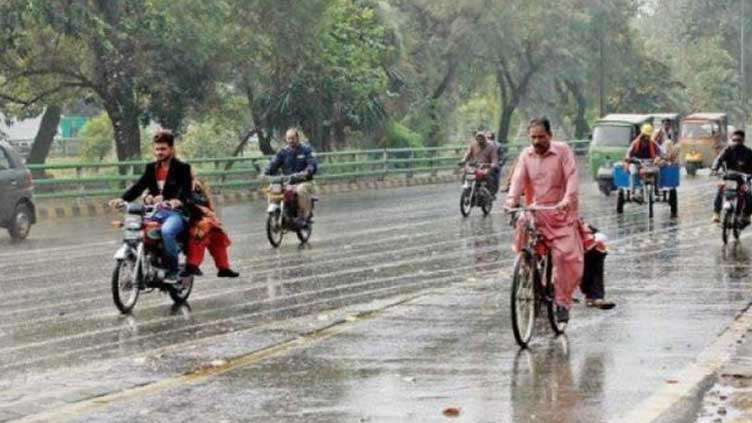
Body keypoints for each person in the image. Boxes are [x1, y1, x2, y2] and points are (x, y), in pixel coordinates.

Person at [505, 117, 583, 323]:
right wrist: (512, 200)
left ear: (550, 136)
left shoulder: (563, 152)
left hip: (560, 213)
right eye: (533, 138)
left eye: (541, 137)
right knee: (522, 225)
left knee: (564, 257)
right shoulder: (526, 155)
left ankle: (562, 302)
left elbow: (572, 178)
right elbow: (518, 179)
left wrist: (568, 199)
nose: (537, 141)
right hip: (535, 212)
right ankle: (527, 270)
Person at [109, 131, 192, 282]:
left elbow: (186, 193)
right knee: (137, 230)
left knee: (167, 232)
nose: (160, 152)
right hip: (155, 212)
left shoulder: (183, 168)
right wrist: (121, 199)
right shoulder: (151, 168)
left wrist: (175, 201)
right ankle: (143, 264)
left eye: (163, 149)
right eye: (157, 149)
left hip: (176, 214)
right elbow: (138, 187)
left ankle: (173, 271)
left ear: (171, 149)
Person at [183, 175, 239, 278]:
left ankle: (223, 267)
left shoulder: (198, 188)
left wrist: (211, 215)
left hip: (201, 216)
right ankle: (192, 265)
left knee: (218, 233)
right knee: (202, 229)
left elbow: (207, 205)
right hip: (188, 216)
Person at [264, 128, 318, 228]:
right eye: (288, 138)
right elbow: (273, 163)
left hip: (305, 181)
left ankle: (302, 216)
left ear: (298, 138)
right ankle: (277, 212)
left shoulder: (306, 150)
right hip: (287, 182)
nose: (290, 141)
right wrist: (265, 172)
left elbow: (312, 164)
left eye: (293, 138)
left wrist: (307, 171)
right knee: (273, 188)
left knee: (300, 190)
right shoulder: (283, 152)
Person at [711, 129, 752, 223]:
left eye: (739, 140)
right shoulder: (727, 149)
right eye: (734, 140)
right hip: (728, 177)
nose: (736, 142)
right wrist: (714, 169)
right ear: (732, 139)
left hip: (743, 179)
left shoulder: (748, 152)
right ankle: (716, 213)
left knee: (749, 194)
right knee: (720, 190)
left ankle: (746, 215)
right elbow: (718, 159)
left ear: (743, 140)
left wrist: (749, 175)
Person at [625, 124, 659, 200]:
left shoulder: (653, 143)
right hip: (636, 162)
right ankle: (632, 192)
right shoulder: (635, 143)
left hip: (649, 163)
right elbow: (628, 153)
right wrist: (628, 158)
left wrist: (660, 157)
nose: (647, 137)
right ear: (642, 134)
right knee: (633, 172)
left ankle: (656, 191)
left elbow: (660, 152)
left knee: (657, 171)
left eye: (648, 135)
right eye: (646, 135)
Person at [460, 131, 500, 195]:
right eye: (478, 139)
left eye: (481, 138)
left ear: (485, 139)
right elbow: (467, 153)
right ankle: (466, 186)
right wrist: (464, 160)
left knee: (489, 176)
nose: (480, 140)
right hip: (474, 165)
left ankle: (490, 193)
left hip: (485, 166)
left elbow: (494, 158)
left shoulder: (491, 146)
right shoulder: (473, 145)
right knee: (465, 172)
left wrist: (493, 164)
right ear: (476, 139)